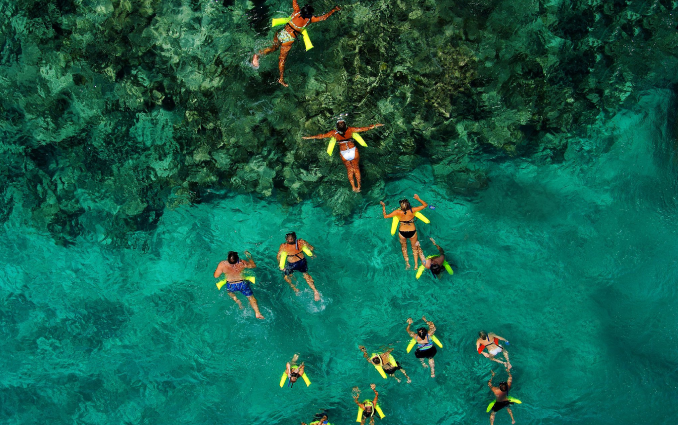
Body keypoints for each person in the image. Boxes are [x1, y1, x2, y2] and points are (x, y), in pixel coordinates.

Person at [251, 1, 340, 87]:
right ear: (309, 14)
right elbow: (324, 18)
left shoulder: (297, 11)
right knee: (282, 60)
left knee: (273, 48)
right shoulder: (310, 19)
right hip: (288, 41)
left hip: (281, 33)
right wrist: (333, 10)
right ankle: (281, 79)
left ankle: (258, 54)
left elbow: (294, 1)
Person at [302, 120, 383, 192]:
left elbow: (321, 136)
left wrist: (308, 137)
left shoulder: (334, 133)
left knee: (349, 169)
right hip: (353, 150)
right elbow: (365, 129)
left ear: (337, 127)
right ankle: (358, 186)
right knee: (356, 167)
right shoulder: (350, 129)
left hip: (344, 152)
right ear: (345, 125)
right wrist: (375, 125)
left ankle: (353, 187)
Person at [380, 195, 428, 269]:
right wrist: (418, 198)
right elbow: (425, 205)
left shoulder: (397, 212)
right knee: (414, 248)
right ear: (408, 205)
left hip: (402, 232)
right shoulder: (413, 210)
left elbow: (385, 216)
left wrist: (383, 206)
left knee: (404, 248)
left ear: (401, 206)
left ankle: (407, 264)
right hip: (412, 231)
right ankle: (416, 265)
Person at [213, 251, 264, 319]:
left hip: (231, 285)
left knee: (230, 292)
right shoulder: (242, 262)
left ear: (228, 259)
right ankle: (257, 313)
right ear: (237, 258)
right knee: (251, 297)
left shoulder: (222, 264)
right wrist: (249, 257)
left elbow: (216, 276)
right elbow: (253, 266)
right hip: (242, 284)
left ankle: (237, 300)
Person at [277, 232, 321, 301]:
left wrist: (281, 265)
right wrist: (312, 254)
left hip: (292, 264)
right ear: (295, 238)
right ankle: (315, 291)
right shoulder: (301, 242)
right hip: (301, 262)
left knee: (286, 277)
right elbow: (311, 248)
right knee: (306, 275)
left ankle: (295, 288)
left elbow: (278, 256)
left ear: (286, 240)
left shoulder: (283, 246)